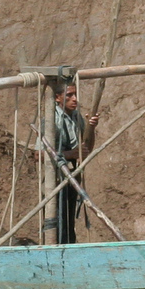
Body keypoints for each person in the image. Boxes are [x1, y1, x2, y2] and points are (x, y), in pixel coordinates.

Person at [47, 80, 100, 244]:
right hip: (53, 179)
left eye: (75, 95)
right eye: (69, 95)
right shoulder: (50, 118)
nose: (75, 99)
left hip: (71, 176)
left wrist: (91, 129)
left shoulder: (76, 116)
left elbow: (85, 150)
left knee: (68, 224)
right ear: (58, 98)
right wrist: (70, 154)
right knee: (55, 223)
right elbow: (38, 154)